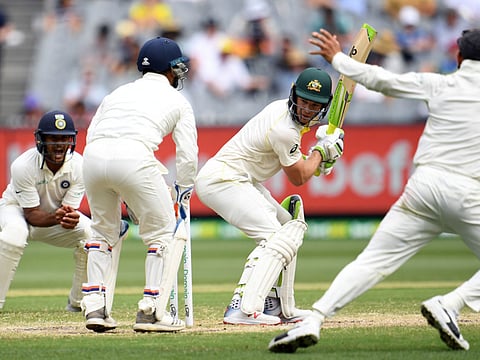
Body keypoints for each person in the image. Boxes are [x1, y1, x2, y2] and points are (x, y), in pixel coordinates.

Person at [268, 28, 480, 353]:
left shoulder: (441, 84)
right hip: (469, 192)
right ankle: (450, 304)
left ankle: (315, 318)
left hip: (423, 188)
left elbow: (382, 80)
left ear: (459, 57)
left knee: (370, 262)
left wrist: (336, 58)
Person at [195, 67, 345, 325]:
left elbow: (305, 167)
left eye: (314, 106)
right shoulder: (284, 129)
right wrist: (322, 152)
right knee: (274, 238)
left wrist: (322, 158)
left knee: (289, 227)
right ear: (293, 95)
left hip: (239, 179)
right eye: (304, 102)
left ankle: (281, 308)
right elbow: (298, 178)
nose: (307, 110)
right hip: (222, 180)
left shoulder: (287, 119)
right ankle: (243, 309)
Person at [81, 37, 198, 333]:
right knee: (162, 232)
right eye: (177, 68)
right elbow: (188, 155)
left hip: (93, 159)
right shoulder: (179, 101)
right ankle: (152, 310)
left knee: (102, 231)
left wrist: (124, 188)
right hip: (135, 157)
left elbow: (93, 134)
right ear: (170, 69)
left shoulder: (117, 92)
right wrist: (184, 191)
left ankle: (94, 304)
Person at [0, 110, 128, 313]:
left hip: (51, 218)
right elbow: (31, 215)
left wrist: (69, 218)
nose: (59, 144)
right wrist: (58, 216)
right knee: (15, 233)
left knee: (90, 235)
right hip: (16, 211)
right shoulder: (22, 165)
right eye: (53, 138)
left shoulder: (80, 166)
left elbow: (67, 211)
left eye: (64, 138)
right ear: (40, 140)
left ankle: (78, 302)